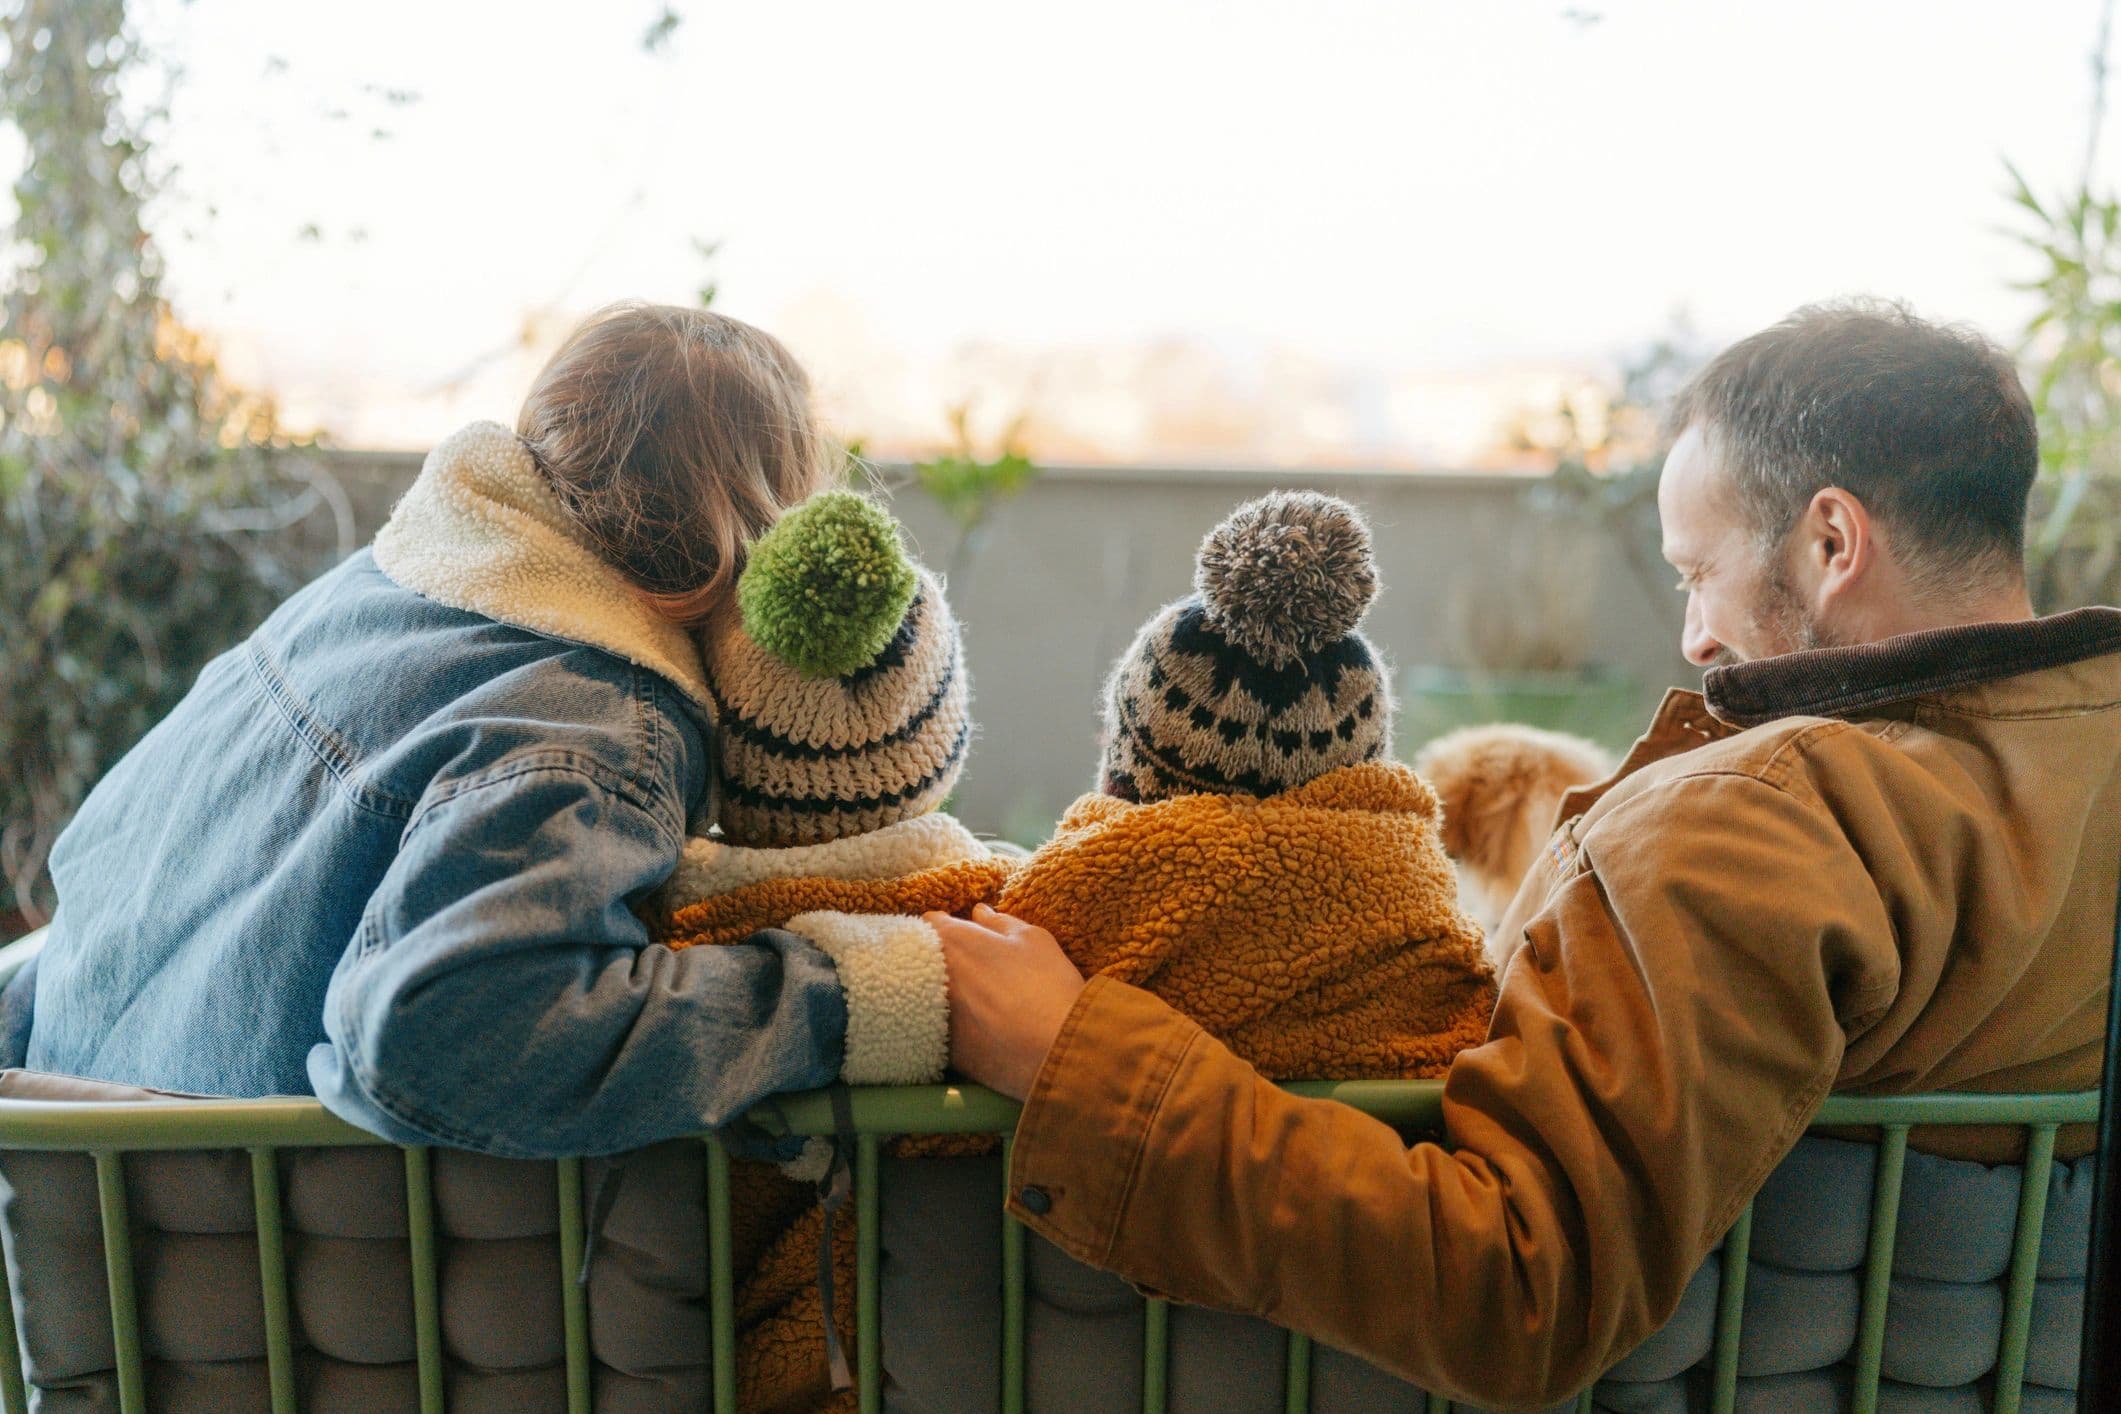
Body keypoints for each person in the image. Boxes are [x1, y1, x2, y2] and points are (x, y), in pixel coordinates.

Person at [931, 299, 2121, 1406]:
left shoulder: (1751, 828)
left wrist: (1071, 1055)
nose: (1695, 634)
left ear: (1830, 541)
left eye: (1698, 572)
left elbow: (1519, 1283)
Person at [13, 302, 897, 1159]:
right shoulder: (601, 720)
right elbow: (438, 1033)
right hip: (228, 1231)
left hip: (73, 1173)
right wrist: (849, 1000)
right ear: (762, 531)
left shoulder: (360, 595)